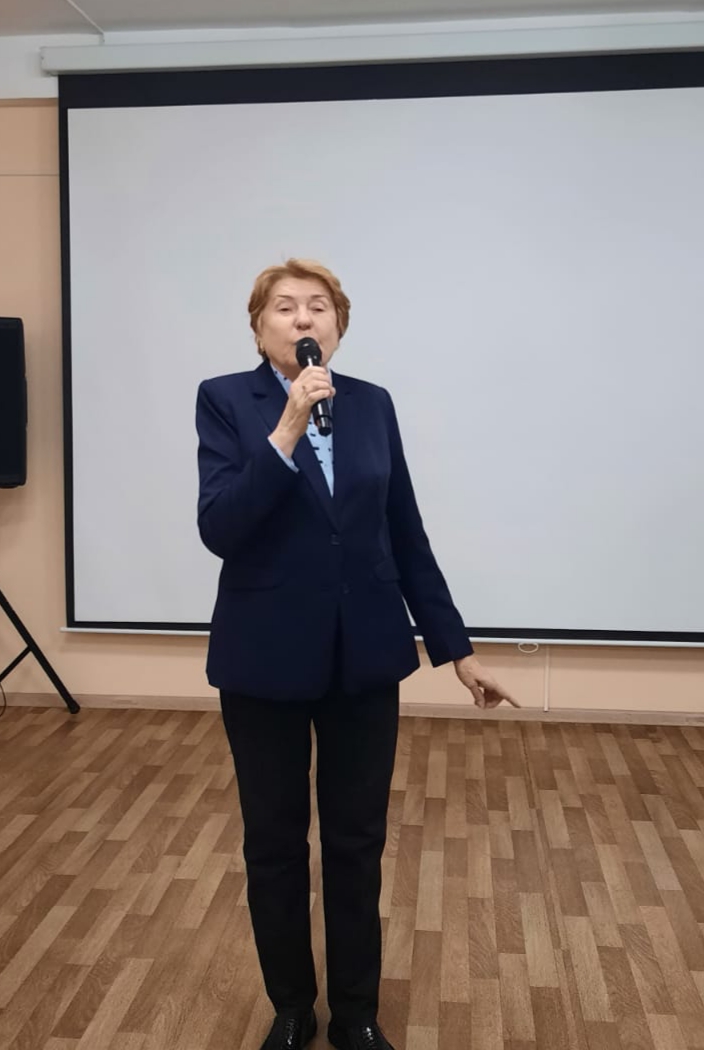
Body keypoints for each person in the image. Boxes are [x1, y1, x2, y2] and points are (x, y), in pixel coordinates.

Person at [195, 259, 516, 1050]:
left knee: (355, 842)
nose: (304, 319)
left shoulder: (371, 404)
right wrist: (286, 429)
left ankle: (355, 1014)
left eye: (319, 307)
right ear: (259, 328)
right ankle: (291, 1008)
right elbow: (220, 528)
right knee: (274, 844)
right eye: (284, 307)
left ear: (338, 326)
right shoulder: (226, 400)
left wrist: (457, 650)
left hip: (364, 656)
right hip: (264, 658)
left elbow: (403, 531)